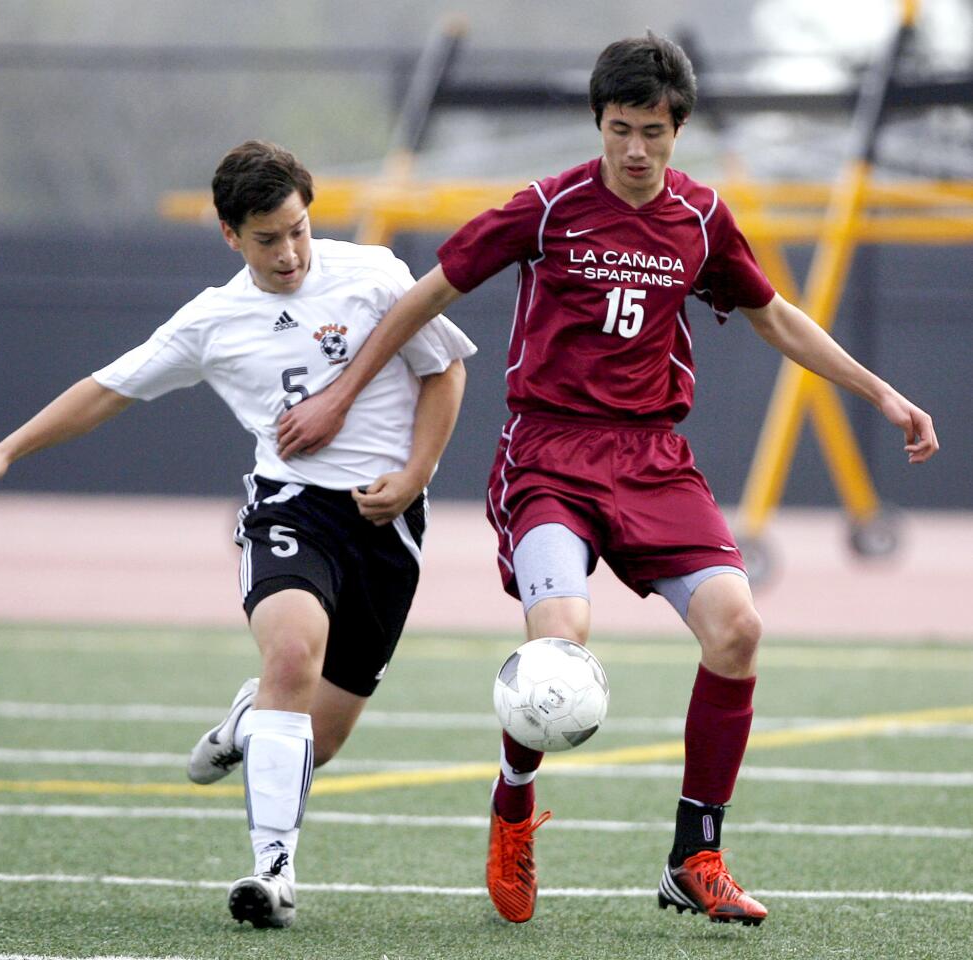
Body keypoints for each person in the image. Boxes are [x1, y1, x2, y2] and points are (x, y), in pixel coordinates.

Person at [274, 34, 939, 928]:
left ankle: (694, 857)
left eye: (654, 133)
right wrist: (344, 395)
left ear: (678, 131)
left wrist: (882, 391)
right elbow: (427, 294)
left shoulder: (702, 221)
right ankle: (514, 803)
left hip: (655, 461)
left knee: (738, 630)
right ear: (599, 123)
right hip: (550, 457)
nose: (635, 149)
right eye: (621, 129)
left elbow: (775, 317)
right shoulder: (547, 209)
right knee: (562, 640)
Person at [0, 140, 476, 930]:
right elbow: (107, 390)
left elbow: (445, 372)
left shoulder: (373, 276)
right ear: (230, 235)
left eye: (299, 229)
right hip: (291, 509)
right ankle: (274, 871)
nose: (290, 252)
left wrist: (412, 475)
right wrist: (6, 449)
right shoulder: (212, 319)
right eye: (268, 239)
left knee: (317, 741)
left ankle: (243, 723)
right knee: (292, 654)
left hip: (387, 523)